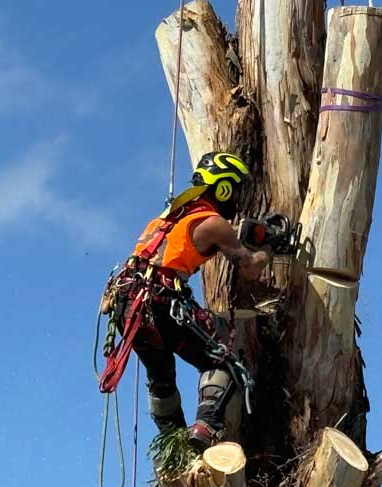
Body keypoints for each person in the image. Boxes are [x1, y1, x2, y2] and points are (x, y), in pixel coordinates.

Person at [110, 151, 270, 451]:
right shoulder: (213, 222)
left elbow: (188, 241)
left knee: (161, 377)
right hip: (160, 299)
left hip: (128, 303)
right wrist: (267, 252)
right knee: (226, 363)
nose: (237, 197)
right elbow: (248, 267)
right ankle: (205, 427)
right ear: (222, 188)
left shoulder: (164, 219)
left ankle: (173, 444)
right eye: (235, 189)